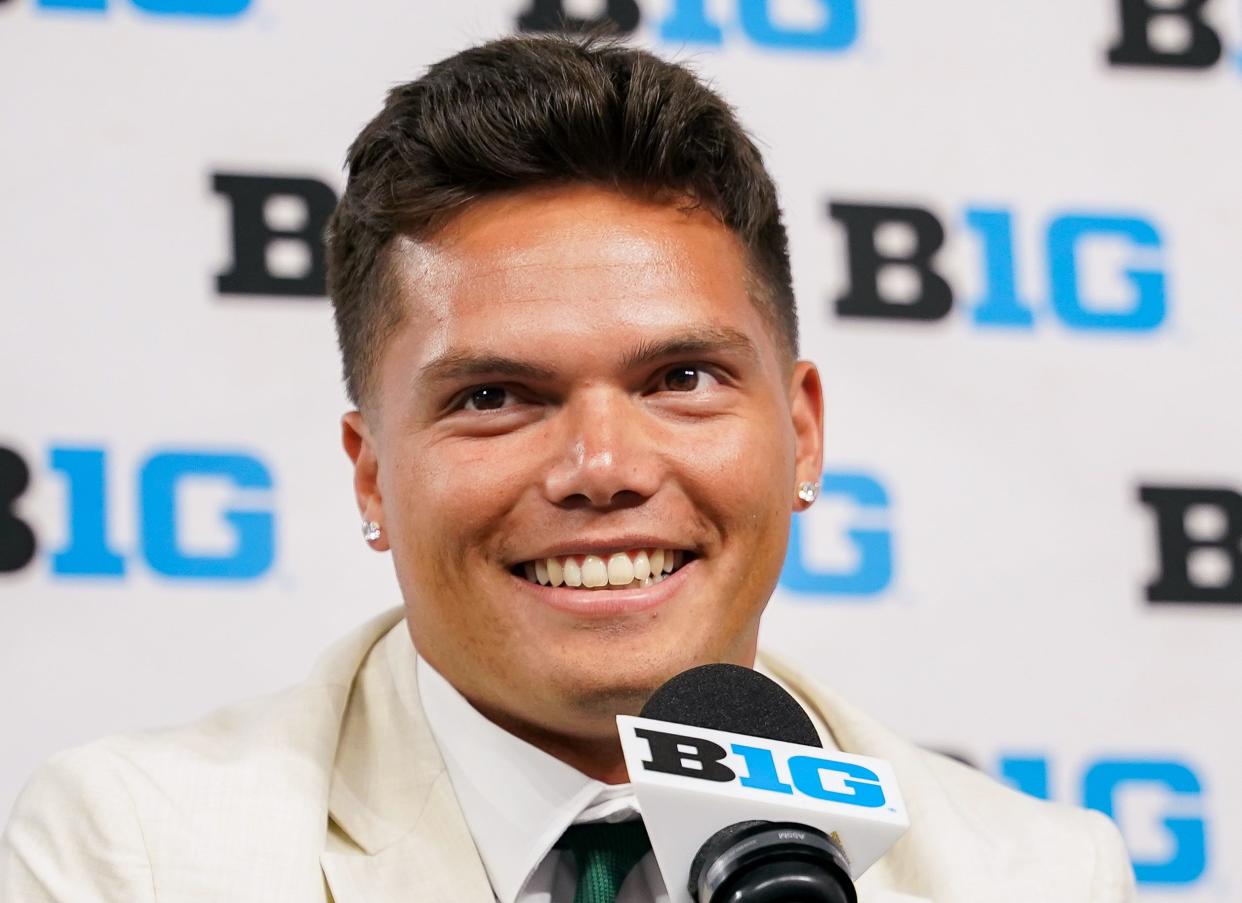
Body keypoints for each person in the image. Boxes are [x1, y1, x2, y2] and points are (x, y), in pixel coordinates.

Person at [0, 34, 1135, 903]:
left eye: (682, 378)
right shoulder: (136, 849)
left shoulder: (1034, 874)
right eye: (494, 398)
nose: (603, 468)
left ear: (804, 435)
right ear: (369, 478)